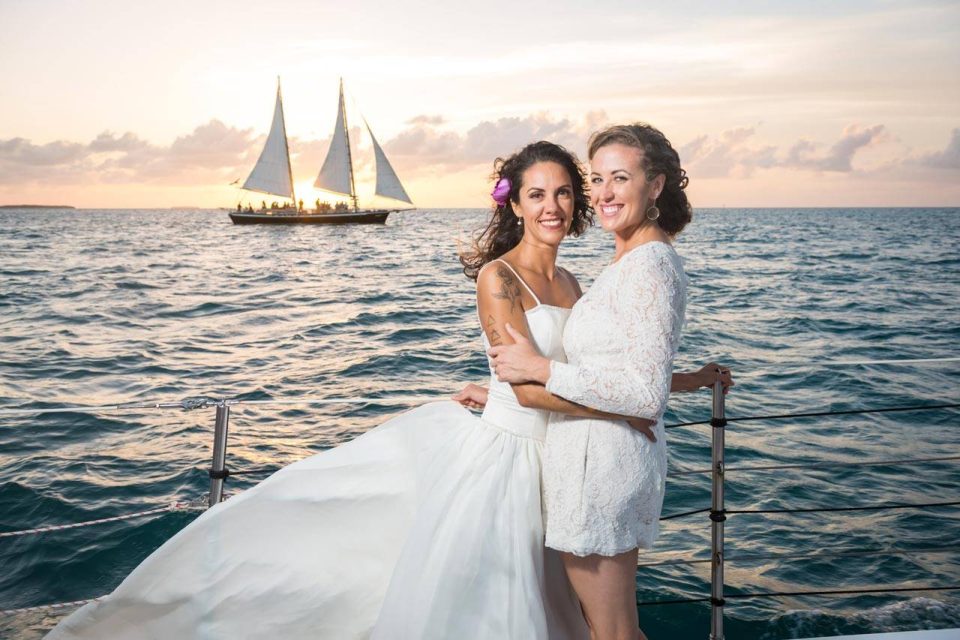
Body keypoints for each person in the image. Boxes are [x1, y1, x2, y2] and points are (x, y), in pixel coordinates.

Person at [488, 123, 708, 640]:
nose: (604, 193)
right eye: (598, 179)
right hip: (588, 460)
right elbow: (616, 370)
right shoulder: (626, 262)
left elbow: (640, 394)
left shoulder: (648, 266)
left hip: (601, 469)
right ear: (515, 204)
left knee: (613, 634)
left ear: (654, 186)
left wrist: (540, 370)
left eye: (620, 178)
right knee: (605, 630)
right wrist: (497, 390)